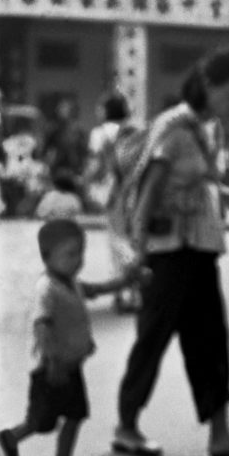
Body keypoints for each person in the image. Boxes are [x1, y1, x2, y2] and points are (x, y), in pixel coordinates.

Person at [112, 48, 229, 456]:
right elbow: (148, 194)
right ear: (210, 87)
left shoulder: (201, 129)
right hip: (169, 255)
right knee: (153, 338)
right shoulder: (176, 130)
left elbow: (200, 186)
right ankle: (126, 425)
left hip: (198, 251)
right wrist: (136, 255)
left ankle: (221, 435)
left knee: (211, 341)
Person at [0, 219, 144, 456]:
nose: (78, 260)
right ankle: (15, 439)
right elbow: (41, 324)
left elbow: (97, 289)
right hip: (54, 370)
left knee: (70, 416)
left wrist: (125, 281)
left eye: (80, 253)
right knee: (42, 420)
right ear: (47, 256)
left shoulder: (71, 282)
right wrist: (52, 361)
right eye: (70, 254)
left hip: (71, 367)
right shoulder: (47, 289)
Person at [83, 91, 142, 313]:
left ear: (107, 109)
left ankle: (122, 292)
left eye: (100, 107)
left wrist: (85, 183)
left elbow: (96, 166)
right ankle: (134, 294)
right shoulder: (137, 129)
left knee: (116, 241)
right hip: (136, 191)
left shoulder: (100, 133)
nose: (97, 111)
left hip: (115, 193)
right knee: (132, 239)